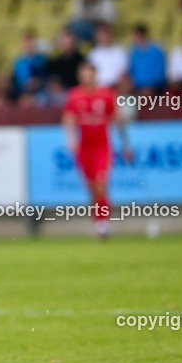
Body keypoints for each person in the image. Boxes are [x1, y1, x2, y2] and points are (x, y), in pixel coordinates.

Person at [62, 62, 133, 239]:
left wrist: (126, 145)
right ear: (80, 77)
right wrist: (70, 138)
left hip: (102, 147)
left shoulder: (106, 95)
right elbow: (69, 118)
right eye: (84, 75)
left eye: (90, 75)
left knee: (101, 183)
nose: (87, 78)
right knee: (92, 188)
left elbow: (118, 119)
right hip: (84, 148)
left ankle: (103, 225)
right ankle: (98, 219)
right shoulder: (74, 96)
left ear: (95, 76)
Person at [128, 24, 167, 96]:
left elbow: (160, 73)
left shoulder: (156, 51)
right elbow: (131, 70)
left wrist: (149, 86)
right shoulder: (133, 51)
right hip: (137, 87)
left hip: (154, 86)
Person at [88, 23, 128, 89]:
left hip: (116, 86)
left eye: (106, 34)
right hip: (99, 88)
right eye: (102, 35)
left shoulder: (120, 51)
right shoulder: (93, 54)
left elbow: (124, 70)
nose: (104, 37)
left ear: (111, 35)